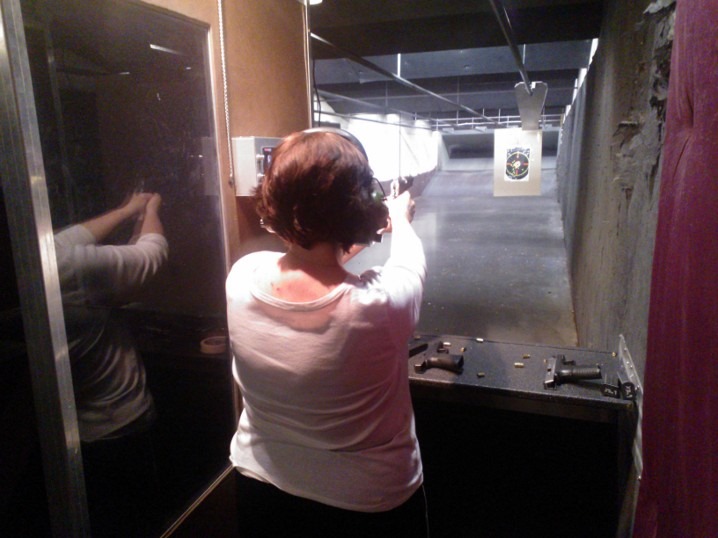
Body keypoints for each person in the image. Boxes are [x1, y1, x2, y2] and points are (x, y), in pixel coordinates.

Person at [226, 129, 428, 537]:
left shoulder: (242, 275)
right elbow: (410, 263)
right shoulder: (378, 305)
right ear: (363, 203)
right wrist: (399, 218)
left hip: (262, 488)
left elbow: (314, 256)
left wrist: (362, 229)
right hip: (365, 505)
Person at [54, 192, 168, 537]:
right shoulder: (66, 270)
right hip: (117, 425)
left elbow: (63, 241)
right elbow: (152, 254)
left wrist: (126, 210)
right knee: (134, 520)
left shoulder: (33, 264)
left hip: (67, 430)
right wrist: (151, 210)